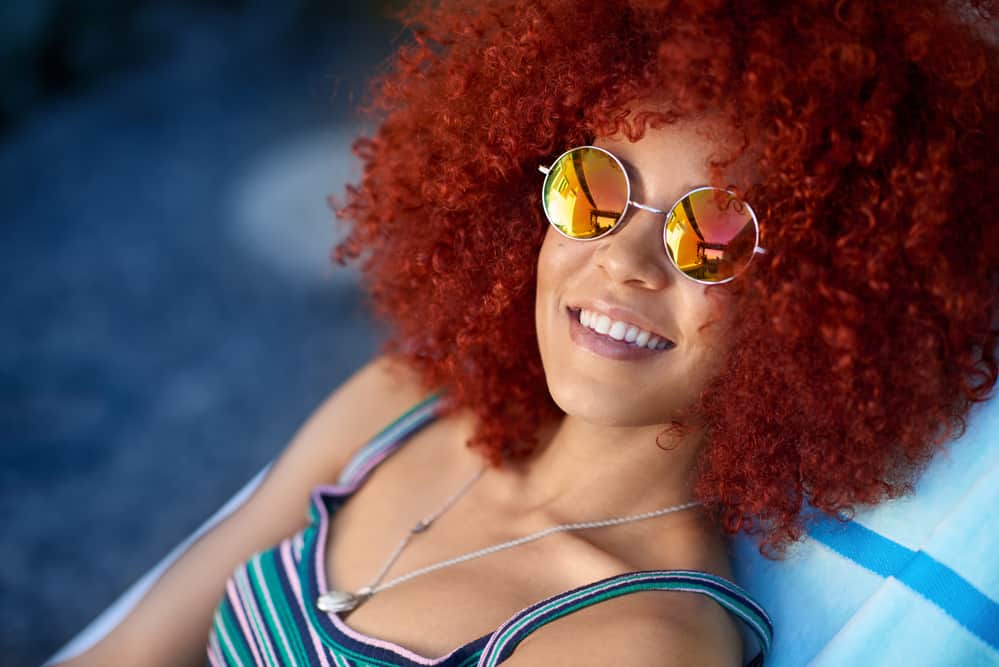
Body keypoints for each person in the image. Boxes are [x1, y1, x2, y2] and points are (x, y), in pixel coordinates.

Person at [51, 0, 998, 665]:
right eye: (595, 188)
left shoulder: (639, 641)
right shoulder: (406, 399)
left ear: (822, 300)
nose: (627, 261)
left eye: (712, 234)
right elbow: (127, 650)